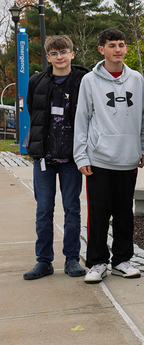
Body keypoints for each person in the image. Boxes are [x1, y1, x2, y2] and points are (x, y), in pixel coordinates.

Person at [74, 28, 144, 284]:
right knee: (98, 213)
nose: (117, 49)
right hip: (98, 159)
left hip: (128, 158)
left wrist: (142, 147)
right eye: (112, 45)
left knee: (123, 213)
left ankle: (122, 260)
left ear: (126, 48)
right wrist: (81, 156)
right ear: (101, 49)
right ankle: (97, 262)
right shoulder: (90, 81)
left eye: (121, 44)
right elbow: (82, 119)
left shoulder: (136, 79)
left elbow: (143, 116)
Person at [23, 35, 89, 280]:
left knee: (72, 209)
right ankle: (44, 261)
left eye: (64, 52)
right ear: (48, 56)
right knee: (43, 210)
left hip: (72, 158)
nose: (59, 57)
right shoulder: (36, 81)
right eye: (54, 53)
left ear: (72, 53)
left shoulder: (85, 80)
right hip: (44, 158)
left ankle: (72, 259)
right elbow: (33, 109)